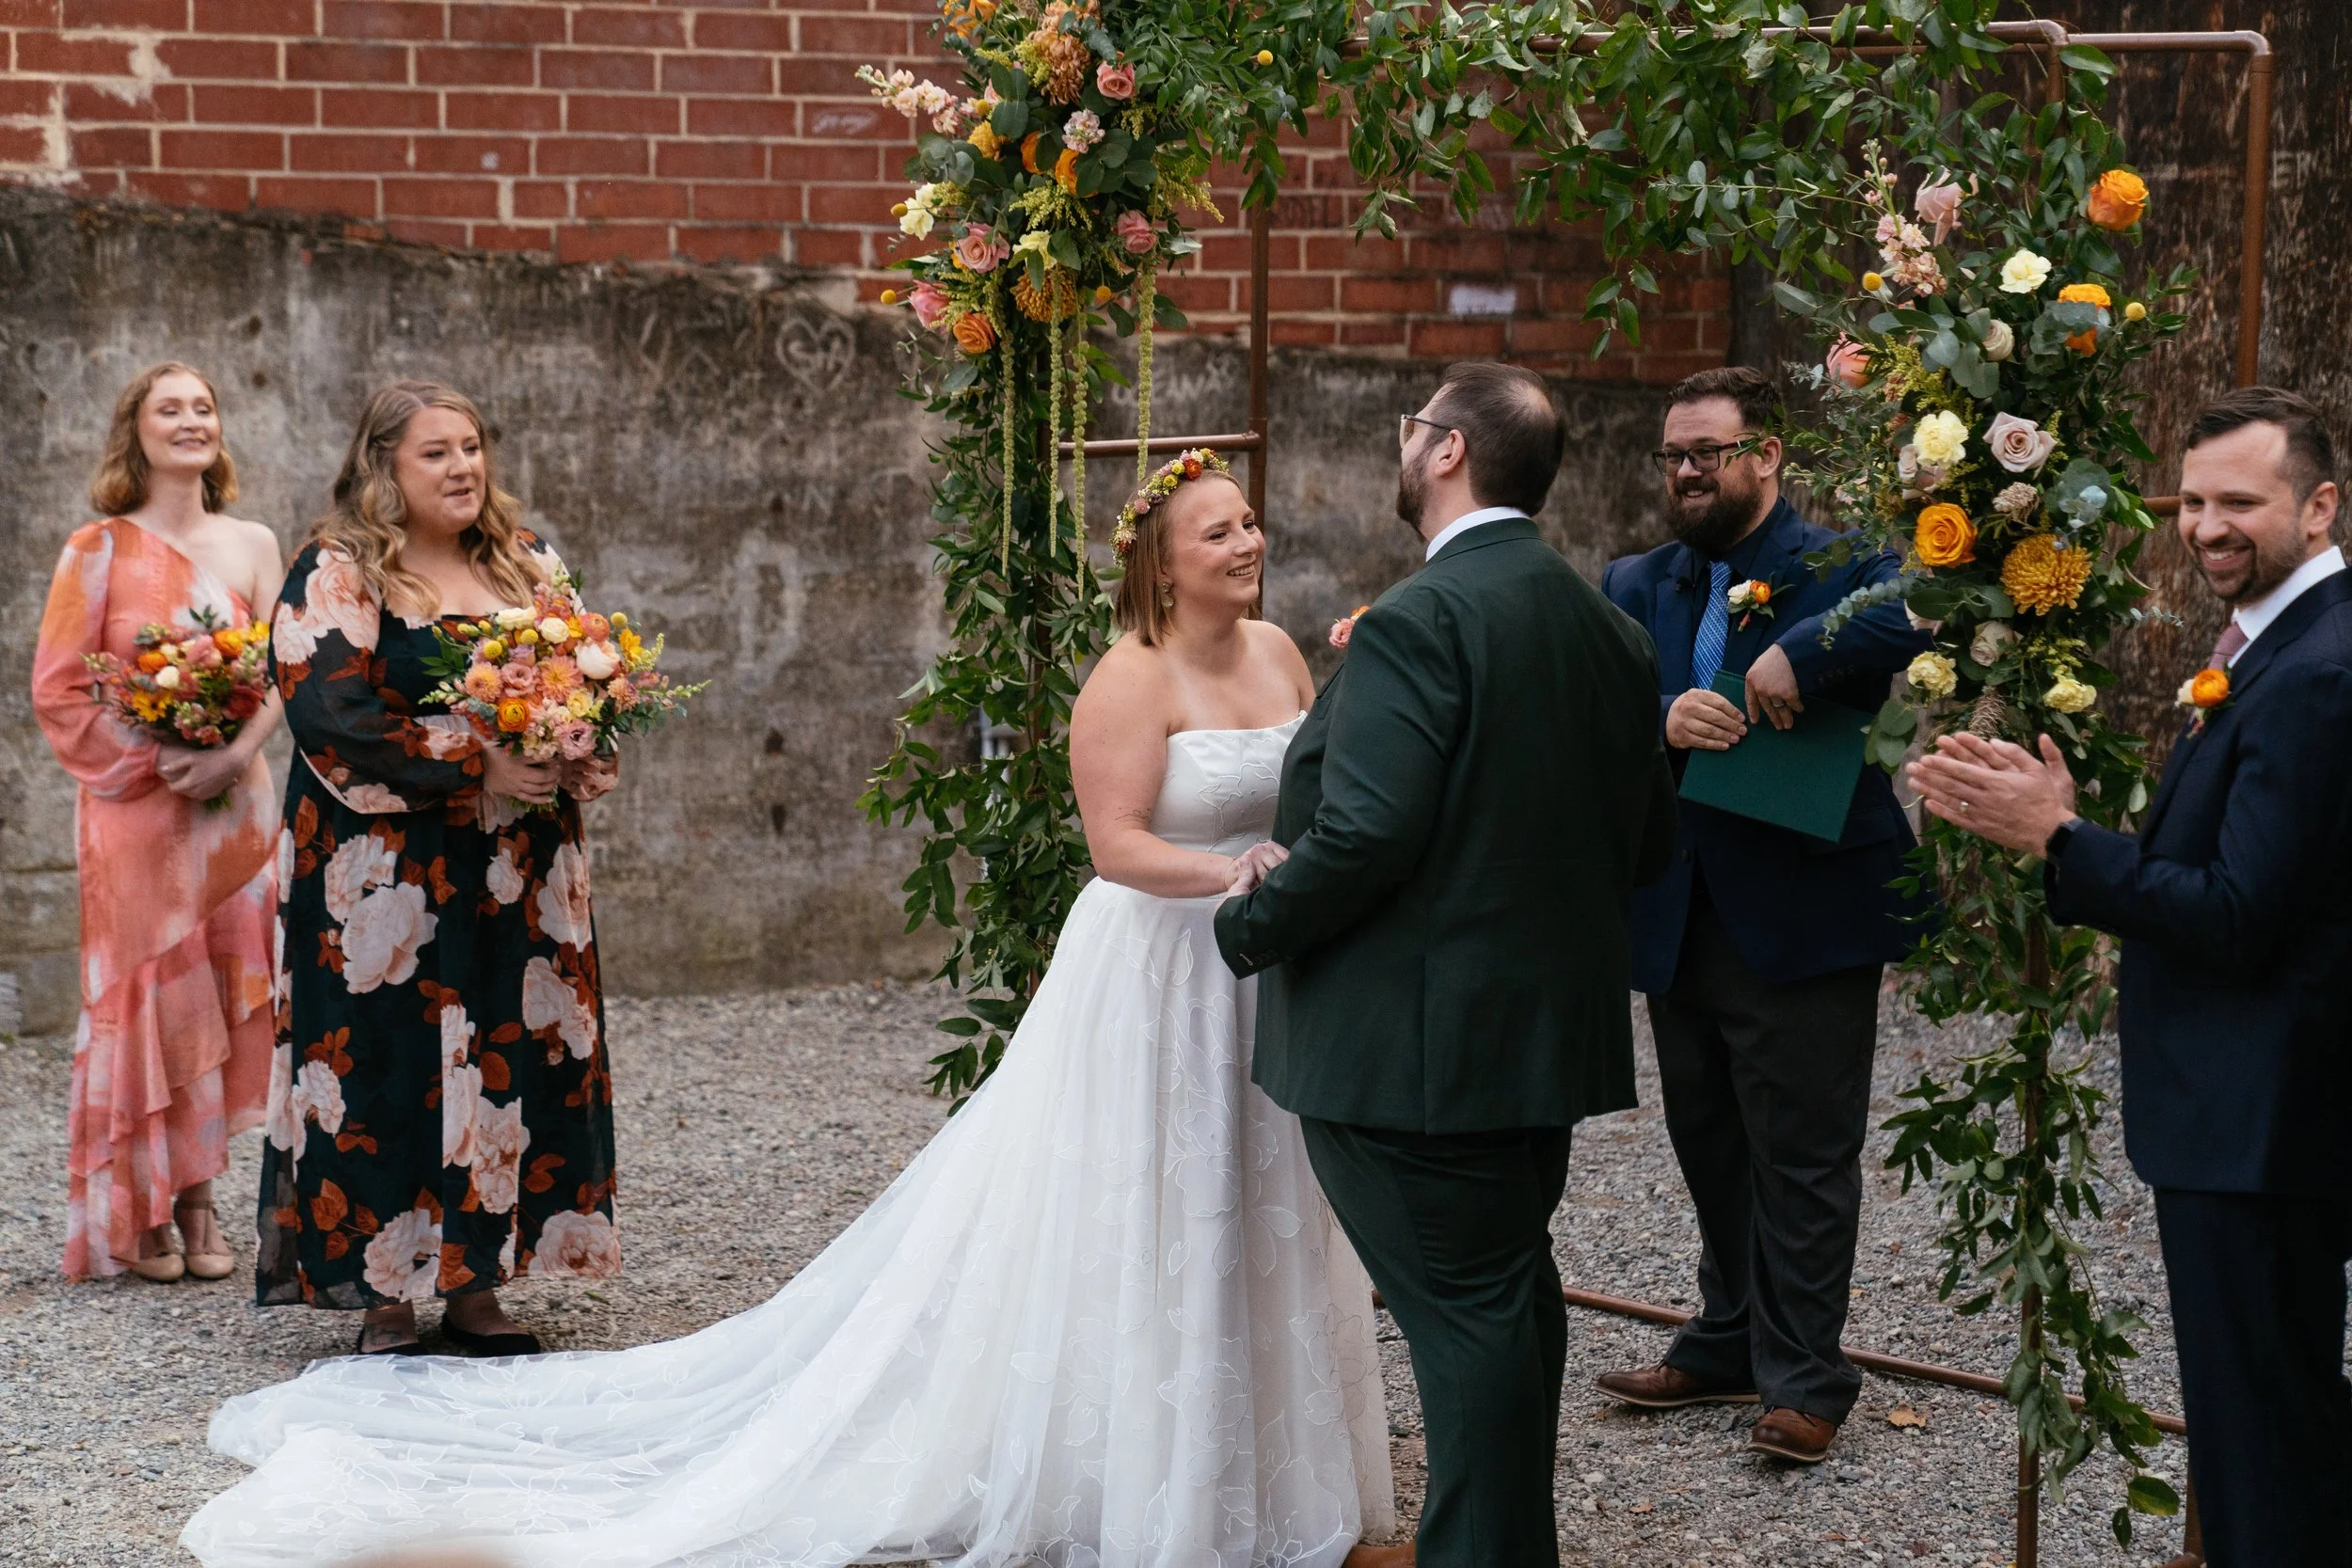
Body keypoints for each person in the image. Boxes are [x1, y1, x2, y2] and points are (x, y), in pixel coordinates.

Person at [184, 448, 1401, 1568]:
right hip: (1162, 972)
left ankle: (1267, 1469)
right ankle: (1153, 1471)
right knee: (1153, 1210)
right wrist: (1232, 871)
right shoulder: (1128, 676)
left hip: (1261, 971)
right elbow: (1116, 840)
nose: (1247, 540)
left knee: (1261, 1209)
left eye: (1248, 521)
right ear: (1161, 558)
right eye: (1218, 528)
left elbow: (1299, 797)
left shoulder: (1288, 653)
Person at [1215, 361, 1678, 1568]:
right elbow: (1646, 840)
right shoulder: (1609, 627)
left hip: (1411, 1056)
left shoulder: (1421, 619)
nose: (1400, 440)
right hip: (1532, 1044)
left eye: (1411, 425)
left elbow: (1366, 832)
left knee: (1473, 1321)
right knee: (1510, 1301)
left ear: (1448, 452)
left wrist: (1251, 923)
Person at [1908, 388, 2351, 1568]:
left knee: (2264, 1443)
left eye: (2239, 503)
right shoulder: (2278, 643)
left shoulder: (2315, 670)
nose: (2205, 525)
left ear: (2318, 505)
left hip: (2262, 1120)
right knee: (2277, 1420)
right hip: (2252, 1112)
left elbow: (2238, 916)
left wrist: (2061, 838)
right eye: (2194, 499)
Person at [1594, 365, 1931, 1463]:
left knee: (1802, 1152)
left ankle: (1805, 1377)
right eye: (1673, 455)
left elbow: (1916, 608)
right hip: (1678, 907)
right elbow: (1587, 698)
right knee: (1709, 1143)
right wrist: (1660, 716)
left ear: (1767, 457)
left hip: (1804, 908)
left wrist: (1798, 647)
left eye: (1708, 452)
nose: (1686, 472)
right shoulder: (1639, 578)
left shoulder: (1839, 562)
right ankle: (1726, 1336)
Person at [254, 381, 621, 1356]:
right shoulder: (335, 570)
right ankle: (387, 1294)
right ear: (383, 467)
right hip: (387, 878)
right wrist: (475, 758)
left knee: (509, 1050)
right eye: (435, 453)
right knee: (389, 1060)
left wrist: (573, 742)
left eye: (471, 447)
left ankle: (477, 1285)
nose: (463, 467)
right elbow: (331, 714)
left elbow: (590, 671)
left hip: (516, 868)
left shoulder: (527, 559)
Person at [31, 362, 283, 1284]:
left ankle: (198, 1198)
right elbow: (58, 687)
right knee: (148, 996)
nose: (190, 419)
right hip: (135, 812)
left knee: (211, 998)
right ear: (133, 432)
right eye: (168, 407)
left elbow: (286, 672)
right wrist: (154, 764)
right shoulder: (94, 548)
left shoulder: (255, 542)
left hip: (231, 811)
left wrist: (224, 756)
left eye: (203, 406)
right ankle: (136, 1210)